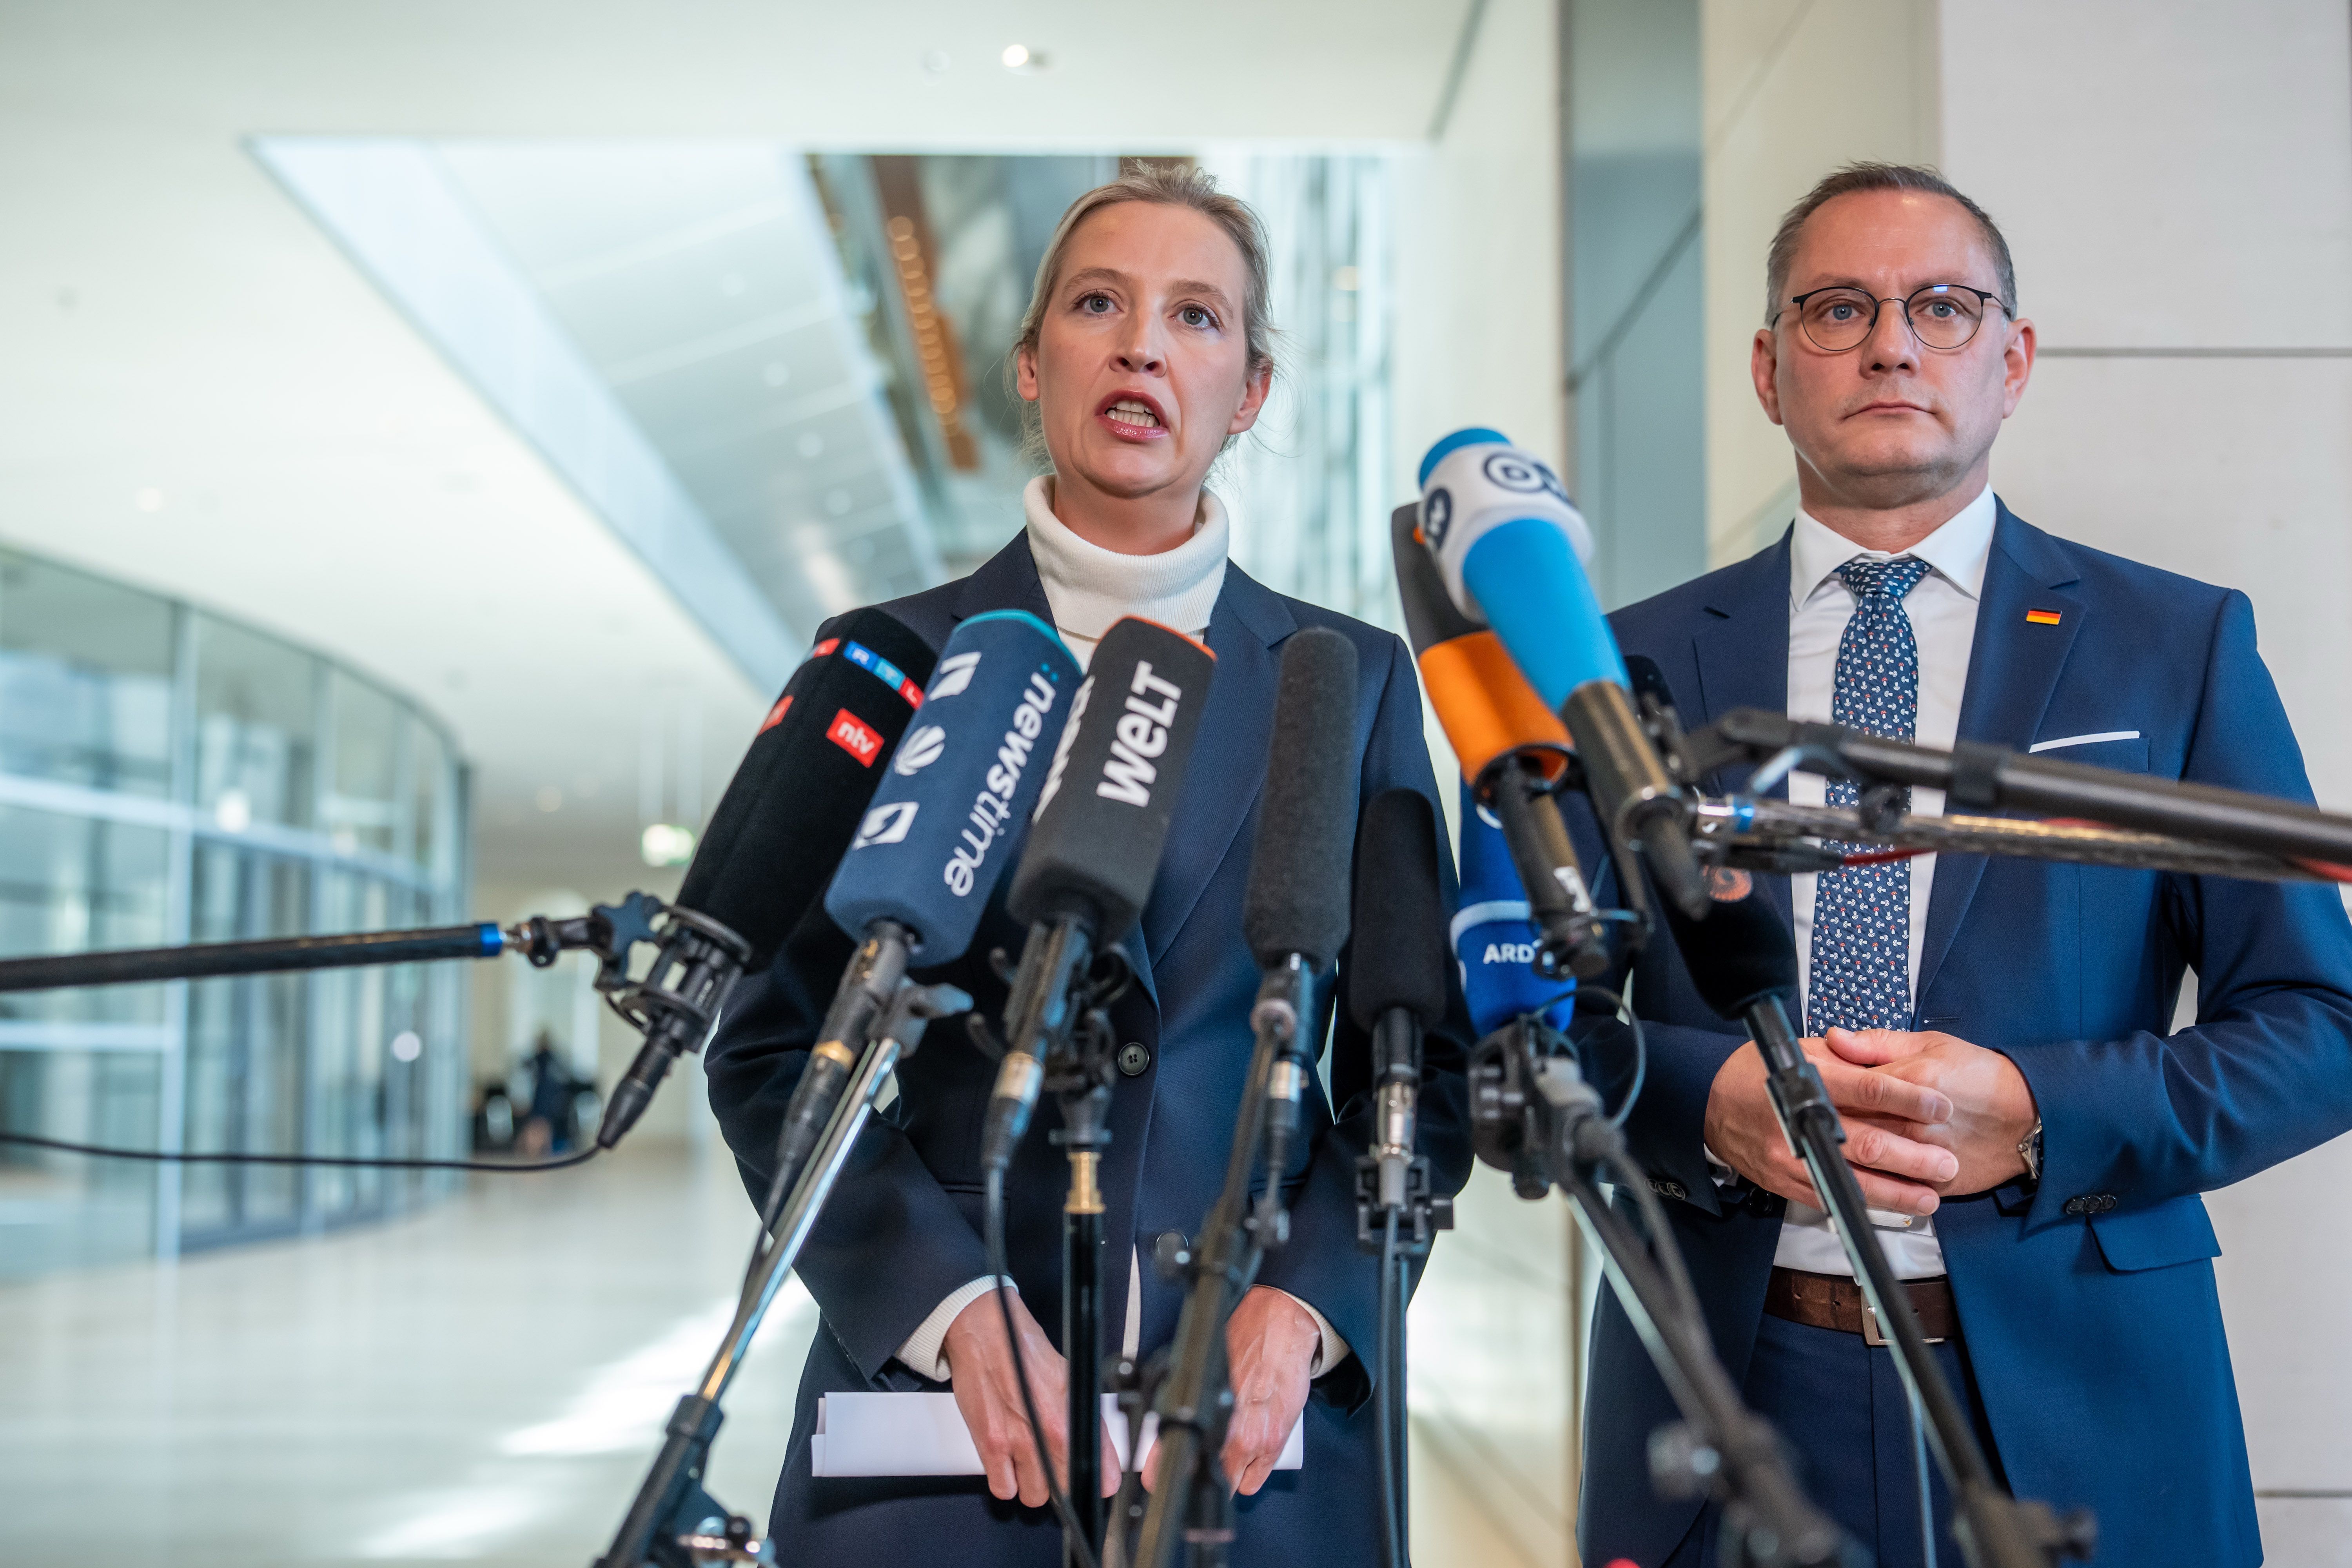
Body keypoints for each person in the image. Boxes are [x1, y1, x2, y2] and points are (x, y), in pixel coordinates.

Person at [1569, 162, 2352, 1568]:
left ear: (2015, 357)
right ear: (1766, 367)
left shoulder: (2171, 648)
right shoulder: (1617, 669)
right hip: (1729, 1396)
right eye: (1836, 308)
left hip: (2085, 1397)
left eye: (1942, 305)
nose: (1891, 343)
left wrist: (2037, 1110)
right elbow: (1516, 1022)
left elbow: (2322, 1026)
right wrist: (1714, 1102)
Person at [704, 166, 1471, 1565]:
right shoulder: (893, 661)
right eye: (1098, 304)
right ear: (1031, 361)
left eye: (1196, 317)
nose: (1141, 346)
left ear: (1249, 390)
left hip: (1264, 1456)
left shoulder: (1348, 682)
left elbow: (1416, 1078)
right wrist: (941, 1309)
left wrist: (1310, 1302)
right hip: (936, 1442)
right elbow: (767, 1054)